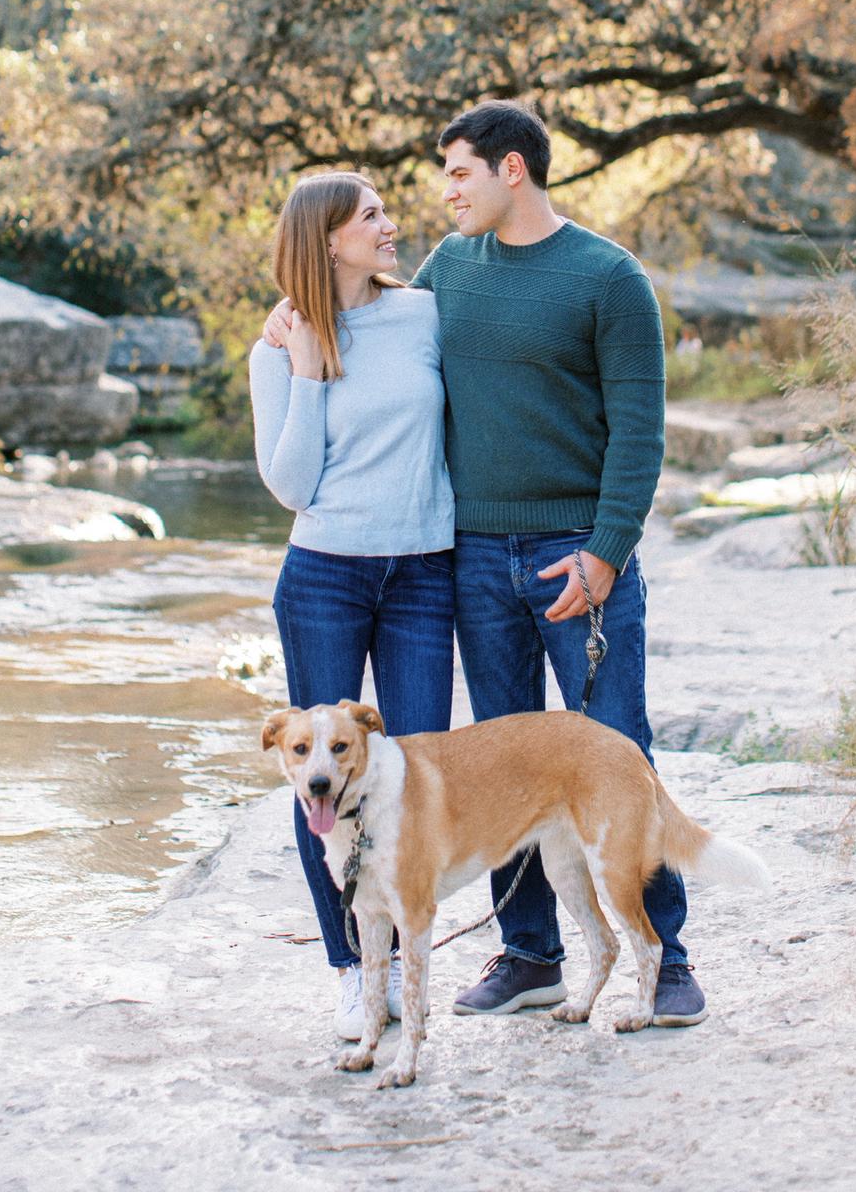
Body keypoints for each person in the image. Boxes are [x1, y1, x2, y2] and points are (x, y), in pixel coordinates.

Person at [266, 99, 702, 1025]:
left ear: (513, 169)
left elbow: (640, 430)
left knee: (618, 741)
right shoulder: (447, 275)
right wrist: (289, 321)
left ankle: (665, 963)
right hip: (467, 558)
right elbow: (356, 311)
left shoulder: (607, 277)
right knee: (503, 763)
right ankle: (530, 954)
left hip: (573, 559)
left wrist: (608, 551)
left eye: (458, 173)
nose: (442, 195)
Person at [249, 172, 455, 1042]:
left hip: (421, 574)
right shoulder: (279, 346)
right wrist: (305, 370)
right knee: (320, 784)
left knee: (409, 780)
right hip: (325, 575)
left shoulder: (424, 315)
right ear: (329, 238)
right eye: (372, 215)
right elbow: (292, 485)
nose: (391, 223)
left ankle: (406, 970)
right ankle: (348, 971)